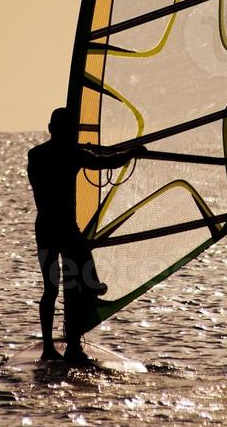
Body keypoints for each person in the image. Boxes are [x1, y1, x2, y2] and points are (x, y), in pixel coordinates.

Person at [27, 107, 146, 364]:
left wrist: (96, 150)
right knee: (80, 284)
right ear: (71, 131)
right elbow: (106, 162)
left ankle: (50, 347)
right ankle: (74, 342)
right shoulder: (73, 153)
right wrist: (131, 152)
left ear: (50, 129)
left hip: (45, 228)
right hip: (66, 229)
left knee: (51, 289)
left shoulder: (36, 154)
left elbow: (93, 155)